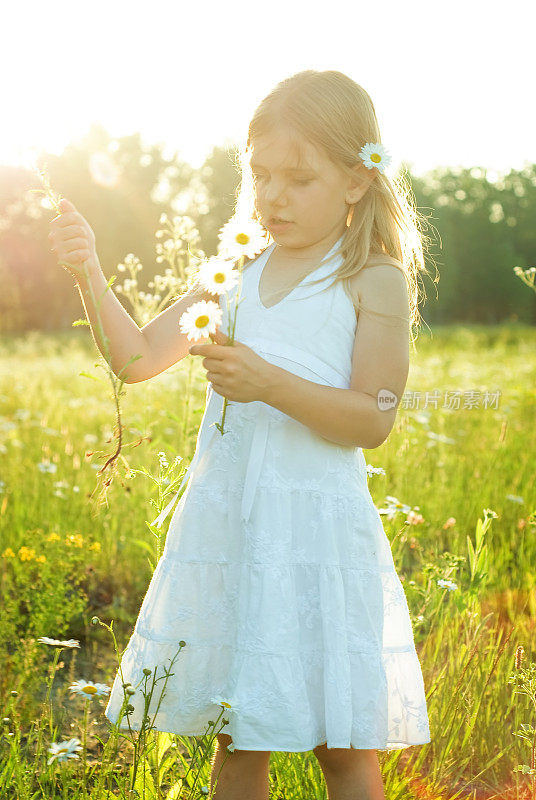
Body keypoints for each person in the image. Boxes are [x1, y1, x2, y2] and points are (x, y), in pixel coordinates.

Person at [49, 69, 432, 800]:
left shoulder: (372, 278)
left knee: (342, 742)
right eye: (260, 175)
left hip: (314, 537)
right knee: (236, 730)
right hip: (234, 530)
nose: (274, 195)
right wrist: (87, 269)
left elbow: (374, 417)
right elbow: (135, 359)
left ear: (357, 180)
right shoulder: (233, 271)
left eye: (299, 178)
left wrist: (269, 384)